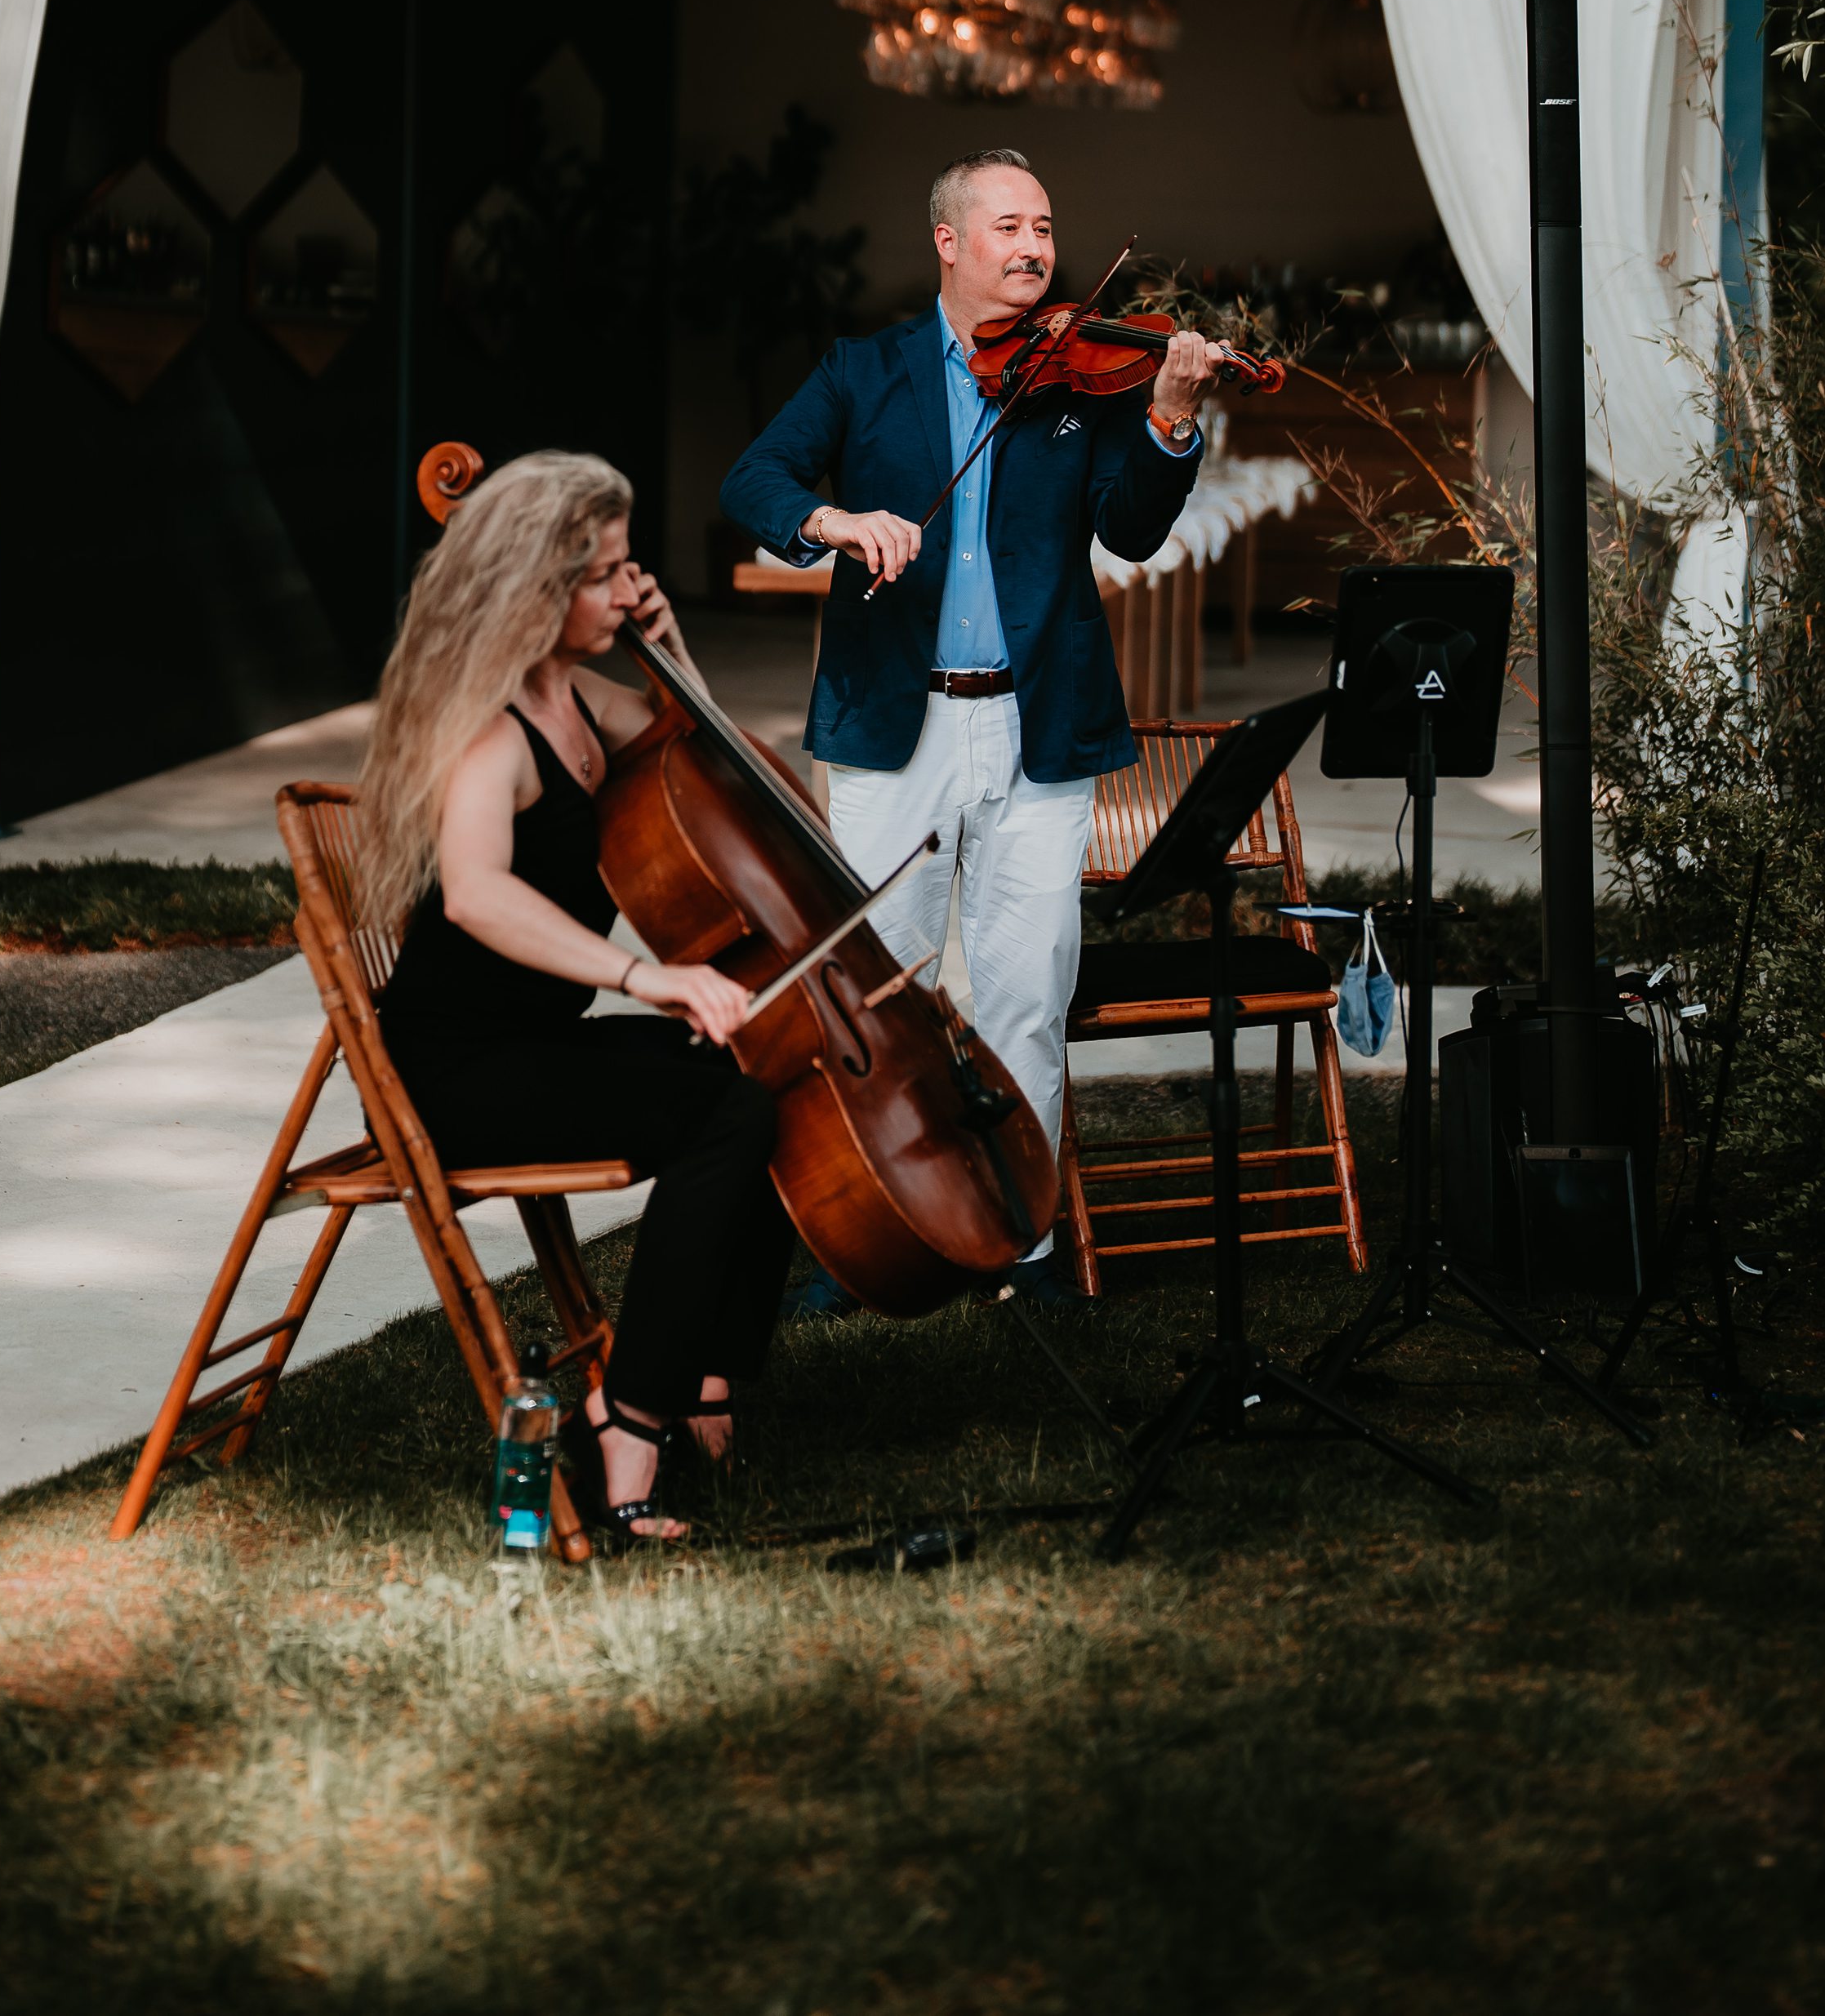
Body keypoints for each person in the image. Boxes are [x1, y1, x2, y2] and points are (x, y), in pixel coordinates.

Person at [721, 149, 1214, 1305]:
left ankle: (1023, 1242)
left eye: (1045, 226)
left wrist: (1172, 420)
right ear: (949, 240)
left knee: (1028, 993)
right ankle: (874, 1231)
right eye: (1010, 226)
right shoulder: (866, 370)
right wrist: (832, 520)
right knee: (877, 998)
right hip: (899, 720)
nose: (1036, 247)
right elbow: (756, 478)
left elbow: (1132, 534)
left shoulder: (1073, 379)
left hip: (1038, 726)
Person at [358, 449, 792, 1542]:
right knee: (722, 1113)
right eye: (603, 574)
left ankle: (704, 1378)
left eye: (623, 566)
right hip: (457, 1076)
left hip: (531, 1045)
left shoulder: (578, 700)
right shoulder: (488, 731)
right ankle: (632, 1420)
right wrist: (647, 976)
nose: (623, 587)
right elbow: (476, 897)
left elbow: (707, 759)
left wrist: (667, 642)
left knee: (766, 1071)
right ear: (537, 589)